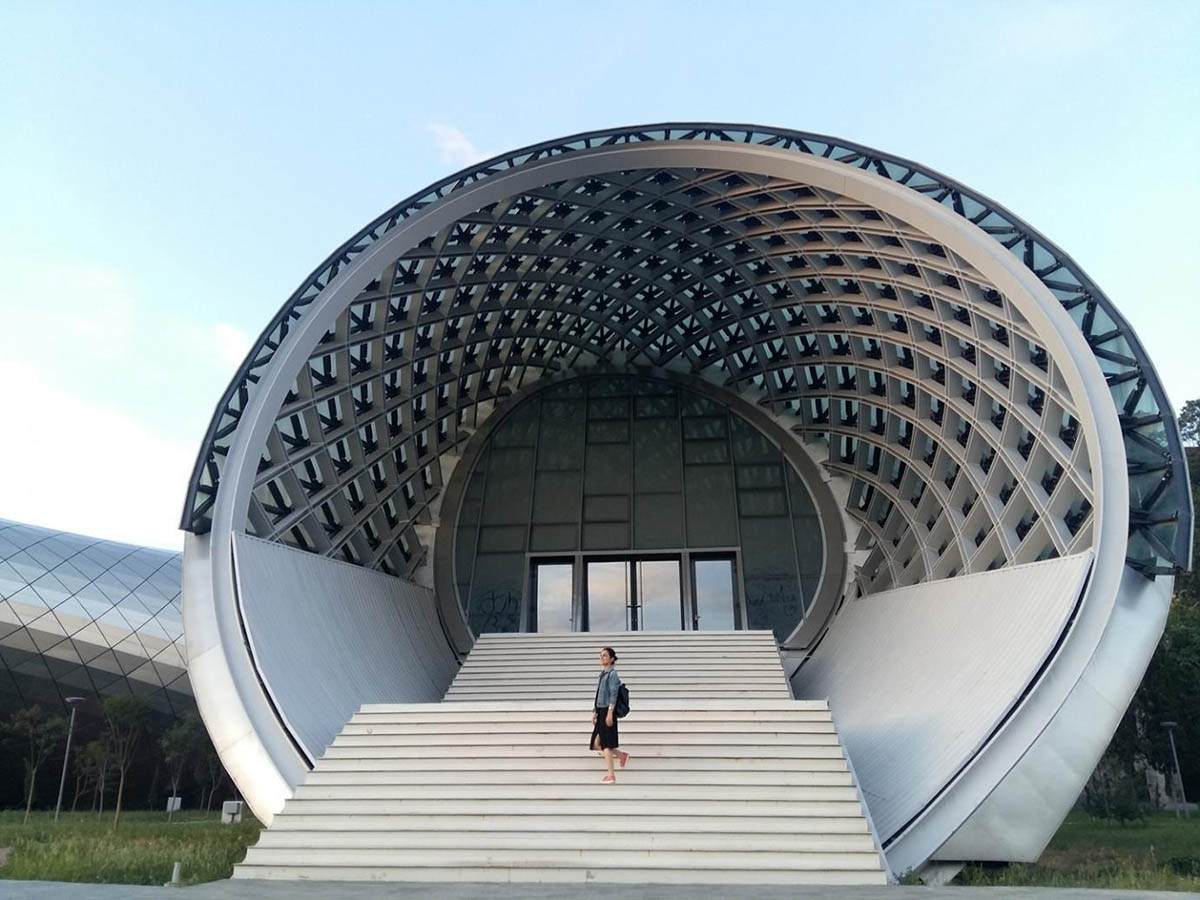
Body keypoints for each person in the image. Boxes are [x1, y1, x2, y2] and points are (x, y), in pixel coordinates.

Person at [590, 646, 629, 783]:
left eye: (605, 655)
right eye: (601, 656)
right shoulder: (603, 674)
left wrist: (610, 713)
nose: (602, 658)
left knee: (605, 744)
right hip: (601, 711)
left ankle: (611, 775)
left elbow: (614, 694)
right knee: (595, 744)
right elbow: (598, 694)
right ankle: (621, 755)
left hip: (607, 710)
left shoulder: (612, 674)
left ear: (612, 659)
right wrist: (595, 712)